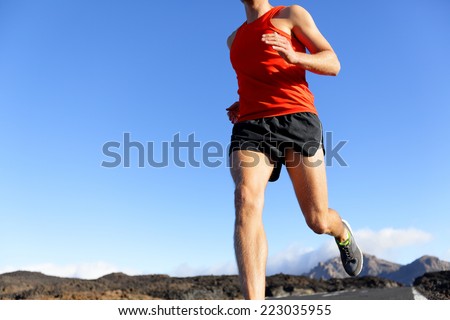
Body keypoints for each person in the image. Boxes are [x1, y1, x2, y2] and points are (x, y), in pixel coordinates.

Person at [226, 0, 363, 300]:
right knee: (245, 198)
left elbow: (333, 62)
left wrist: (294, 56)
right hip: (251, 125)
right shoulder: (233, 40)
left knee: (317, 220)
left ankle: (341, 232)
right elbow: (257, 77)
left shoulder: (291, 14)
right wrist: (243, 102)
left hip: (297, 119)